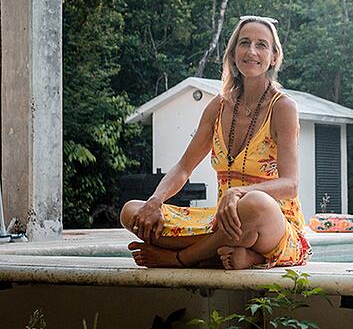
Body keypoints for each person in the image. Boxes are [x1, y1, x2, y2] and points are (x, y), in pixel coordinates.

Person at [119, 16, 311, 270]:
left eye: (261, 45)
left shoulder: (283, 107)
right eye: (244, 43)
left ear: (274, 57)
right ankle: (228, 253)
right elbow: (184, 168)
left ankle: (182, 258)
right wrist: (156, 200)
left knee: (255, 204)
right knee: (132, 212)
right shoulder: (218, 107)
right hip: (223, 223)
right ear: (233, 53)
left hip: (271, 222)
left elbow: (290, 184)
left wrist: (238, 193)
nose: (251, 51)